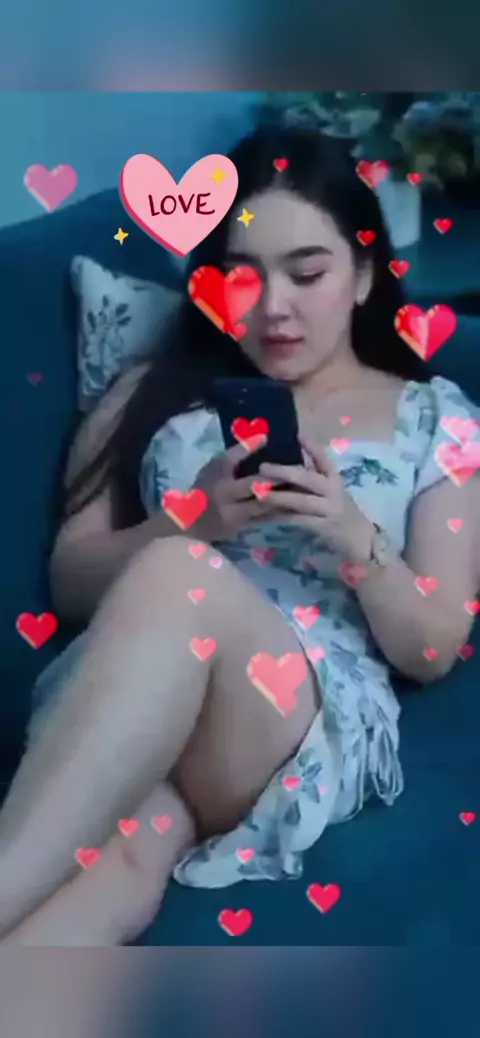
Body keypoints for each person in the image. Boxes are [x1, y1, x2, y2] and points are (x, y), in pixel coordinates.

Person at [1, 124, 480, 945]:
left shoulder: (435, 418)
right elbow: (71, 582)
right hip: (132, 693)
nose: (274, 306)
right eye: (242, 276)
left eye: (308, 273)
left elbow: (435, 645)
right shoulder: (147, 394)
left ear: (364, 275)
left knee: (180, 576)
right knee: (126, 856)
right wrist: (192, 518)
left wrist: (353, 535)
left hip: (291, 709)